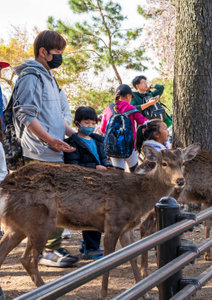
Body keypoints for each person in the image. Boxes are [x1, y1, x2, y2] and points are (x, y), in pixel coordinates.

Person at [13, 30, 78, 267]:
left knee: (56, 203)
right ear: (43, 52)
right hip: (39, 152)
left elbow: (54, 115)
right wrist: (50, 139)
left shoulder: (49, 76)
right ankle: (45, 251)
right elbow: (25, 113)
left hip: (54, 150)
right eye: (58, 52)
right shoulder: (32, 76)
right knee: (45, 205)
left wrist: (74, 135)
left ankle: (51, 247)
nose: (60, 57)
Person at [64, 106, 112, 260]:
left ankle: (89, 245)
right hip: (84, 184)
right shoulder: (72, 143)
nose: (90, 126)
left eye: (93, 123)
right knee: (91, 215)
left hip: (100, 182)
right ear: (77, 123)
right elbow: (72, 166)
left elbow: (103, 157)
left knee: (100, 214)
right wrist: (93, 167)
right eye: (87, 122)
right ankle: (92, 248)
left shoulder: (98, 139)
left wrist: (108, 166)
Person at [100, 84, 147, 172]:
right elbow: (144, 122)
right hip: (129, 147)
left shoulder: (108, 109)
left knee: (118, 174)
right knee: (135, 172)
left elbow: (102, 130)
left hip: (113, 148)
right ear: (128, 96)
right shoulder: (131, 108)